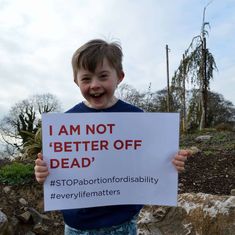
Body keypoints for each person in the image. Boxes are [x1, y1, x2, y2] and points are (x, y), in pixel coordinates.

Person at [34, 39, 192, 235]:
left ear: (119, 77)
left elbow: (152, 161)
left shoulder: (139, 119)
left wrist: (171, 163)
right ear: (76, 82)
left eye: (103, 76)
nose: (95, 85)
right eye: (86, 79)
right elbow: (55, 171)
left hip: (122, 225)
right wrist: (43, 173)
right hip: (76, 227)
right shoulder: (66, 123)